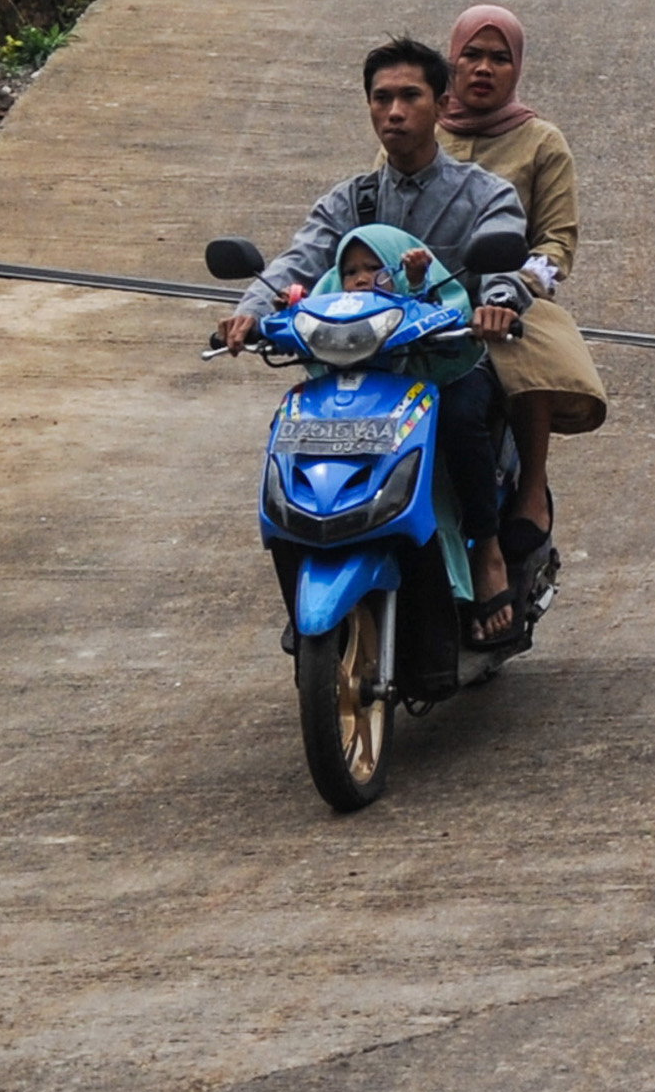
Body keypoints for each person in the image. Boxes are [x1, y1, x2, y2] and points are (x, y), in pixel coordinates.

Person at [218, 38, 532, 646]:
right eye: (381, 98)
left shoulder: (481, 193)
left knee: (465, 415)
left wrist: (497, 302)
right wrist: (251, 311)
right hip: (360, 362)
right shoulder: (350, 200)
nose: (394, 111)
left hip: (448, 358)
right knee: (301, 427)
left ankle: (488, 550)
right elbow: (297, 260)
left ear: (441, 104)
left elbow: (504, 252)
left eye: (409, 96)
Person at [437, 4, 607, 554]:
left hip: (509, 298)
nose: (484, 68)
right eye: (473, 55)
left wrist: (517, 287)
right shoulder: (420, 130)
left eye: (499, 58)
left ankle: (531, 490)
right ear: (451, 62)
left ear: (517, 70)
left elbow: (557, 243)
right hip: (424, 304)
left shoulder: (541, 142)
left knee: (527, 359)